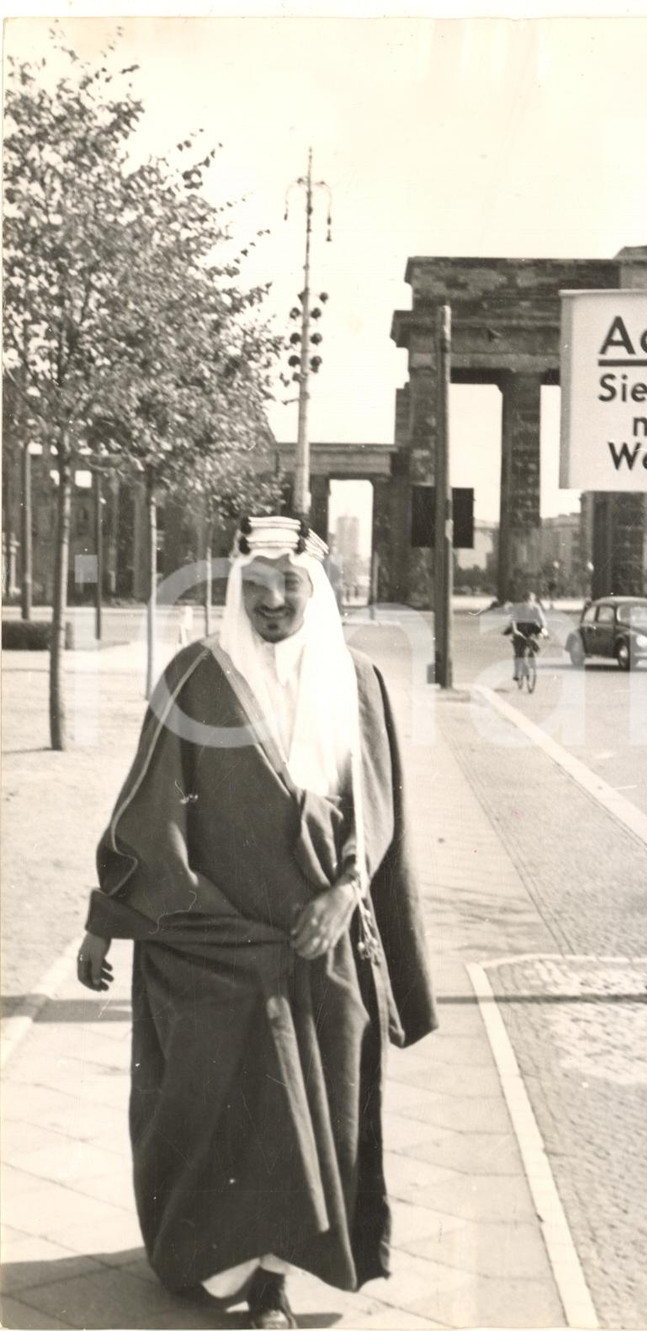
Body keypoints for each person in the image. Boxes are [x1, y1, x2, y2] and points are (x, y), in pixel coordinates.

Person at [77, 515, 437, 1330]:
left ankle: (277, 1274)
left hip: (320, 942)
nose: (272, 603)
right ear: (236, 590)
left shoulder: (358, 681)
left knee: (324, 1111)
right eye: (256, 587)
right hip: (214, 938)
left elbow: (375, 809)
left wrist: (346, 895)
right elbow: (146, 804)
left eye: (290, 586)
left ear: (318, 590)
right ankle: (230, 1257)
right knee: (224, 1112)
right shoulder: (194, 676)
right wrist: (104, 921)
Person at [502, 590, 548, 681]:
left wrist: (543, 631)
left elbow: (542, 621)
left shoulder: (536, 608)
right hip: (519, 628)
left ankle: (531, 655)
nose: (528, 602)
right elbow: (513, 619)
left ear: (534, 600)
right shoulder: (518, 608)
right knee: (518, 651)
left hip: (531, 629)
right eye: (526, 599)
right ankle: (517, 672)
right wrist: (515, 630)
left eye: (530, 600)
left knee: (532, 642)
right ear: (523, 600)